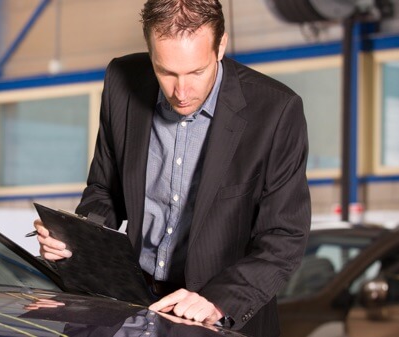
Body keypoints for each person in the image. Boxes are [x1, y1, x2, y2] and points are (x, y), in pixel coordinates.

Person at [33, 0, 311, 335]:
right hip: (131, 305)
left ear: (221, 45)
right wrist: (76, 238)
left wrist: (218, 301)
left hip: (214, 316)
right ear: (150, 51)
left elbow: (284, 235)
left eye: (196, 72)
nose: (181, 92)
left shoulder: (276, 111)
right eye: (166, 72)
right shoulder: (122, 82)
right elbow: (104, 191)